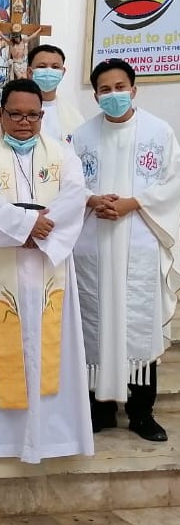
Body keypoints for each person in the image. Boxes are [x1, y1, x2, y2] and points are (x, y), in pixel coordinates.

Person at [0, 78, 93, 464]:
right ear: (0, 115)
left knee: (50, 349)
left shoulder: (62, 154)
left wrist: (39, 230)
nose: (24, 122)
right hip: (2, 265)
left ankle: (53, 437)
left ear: (41, 116)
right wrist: (26, 228)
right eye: (15, 114)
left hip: (49, 263)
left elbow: (75, 195)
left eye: (32, 115)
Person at [72, 59, 180, 442]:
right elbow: (68, 184)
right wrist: (92, 199)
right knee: (94, 323)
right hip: (94, 242)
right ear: (96, 95)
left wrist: (132, 203)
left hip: (139, 240)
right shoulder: (81, 136)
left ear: (134, 90)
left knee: (138, 327)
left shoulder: (159, 132)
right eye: (105, 89)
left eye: (120, 87)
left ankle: (141, 413)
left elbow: (173, 183)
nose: (113, 94)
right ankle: (98, 410)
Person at [26, 44, 84, 144]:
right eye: (42, 66)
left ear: (63, 72)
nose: (49, 71)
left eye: (55, 67)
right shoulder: (15, 111)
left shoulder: (74, 116)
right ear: (30, 72)